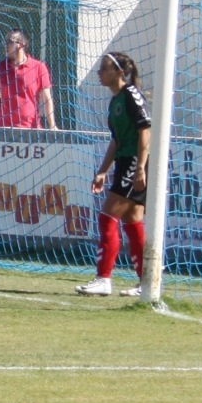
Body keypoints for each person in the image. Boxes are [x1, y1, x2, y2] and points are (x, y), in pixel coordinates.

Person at [75, 52, 151, 297]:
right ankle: (146, 284)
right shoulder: (115, 100)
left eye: (104, 68)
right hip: (124, 162)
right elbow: (116, 140)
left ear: (119, 72)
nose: (100, 72)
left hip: (134, 163)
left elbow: (145, 131)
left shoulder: (130, 95)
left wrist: (140, 167)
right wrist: (102, 171)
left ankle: (104, 279)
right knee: (132, 221)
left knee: (108, 215)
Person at [0, 28, 58, 130]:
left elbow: (47, 98)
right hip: (4, 129)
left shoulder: (38, 67)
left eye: (10, 42)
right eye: (5, 42)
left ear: (21, 44)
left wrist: (52, 126)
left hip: (31, 129)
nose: (6, 46)